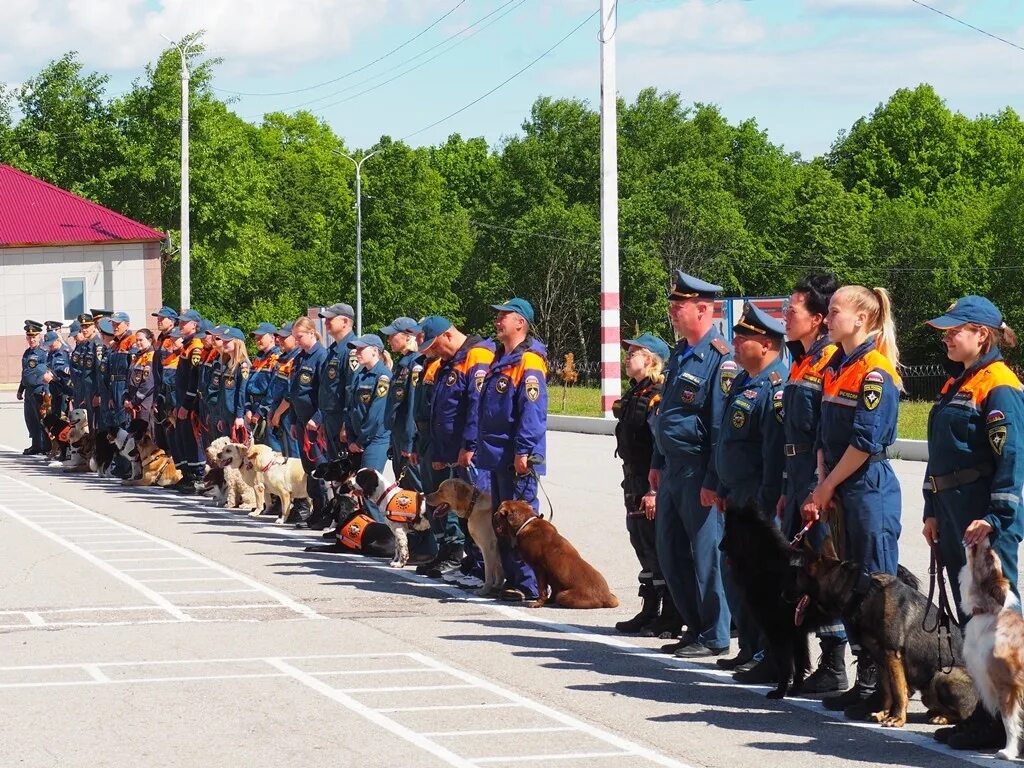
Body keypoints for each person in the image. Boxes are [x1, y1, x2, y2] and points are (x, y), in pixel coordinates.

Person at [922, 295, 1024, 751]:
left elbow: (1012, 461)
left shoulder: (998, 385)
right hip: (954, 516)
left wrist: (996, 519)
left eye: (955, 329)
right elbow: (939, 454)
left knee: (999, 631)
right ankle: (986, 716)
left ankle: (1008, 723)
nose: (947, 335)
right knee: (973, 626)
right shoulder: (956, 384)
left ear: (981, 334)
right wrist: (930, 508)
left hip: (983, 522)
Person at [801, 285, 902, 720]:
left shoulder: (875, 371)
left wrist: (827, 487)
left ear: (862, 318)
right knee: (850, 587)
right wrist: (823, 483)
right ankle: (864, 680)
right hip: (841, 487)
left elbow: (864, 442)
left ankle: (882, 687)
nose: (828, 317)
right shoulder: (836, 365)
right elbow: (825, 437)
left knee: (877, 588)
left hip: (867, 487)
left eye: (836, 310)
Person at [651, 272, 734, 658]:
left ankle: (715, 632)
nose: (672, 312)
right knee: (670, 551)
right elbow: (667, 412)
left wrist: (713, 479)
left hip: (698, 469)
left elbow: (719, 426)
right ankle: (694, 625)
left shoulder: (720, 358)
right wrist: (656, 461)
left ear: (703, 309)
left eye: (678, 306)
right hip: (671, 468)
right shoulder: (680, 354)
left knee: (707, 555)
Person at [704, 303, 788, 683]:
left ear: (766, 344)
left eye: (743, 338)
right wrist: (722, 486)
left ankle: (767, 653)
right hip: (736, 493)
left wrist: (766, 506)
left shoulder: (775, 387)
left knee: (761, 579)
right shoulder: (742, 381)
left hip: (756, 496)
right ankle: (750, 648)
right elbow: (727, 440)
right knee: (737, 574)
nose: (735, 344)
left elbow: (772, 453)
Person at [778, 273, 849, 695]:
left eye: (793, 310)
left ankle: (837, 661)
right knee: (804, 570)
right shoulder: (801, 360)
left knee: (826, 567)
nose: (785, 317)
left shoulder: (829, 362)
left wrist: (818, 487)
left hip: (817, 477)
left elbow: (826, 431)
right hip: (796, 474)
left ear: (819, 319)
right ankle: (810, 658)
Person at [476, 298, 547, 603]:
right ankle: (511, 579)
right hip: (496, 454)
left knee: (521, 521)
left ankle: (530, 584)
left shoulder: (528, 361)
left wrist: (525, 451)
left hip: (516, 455)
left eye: (504, 316)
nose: (498, 321)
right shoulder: (500, 359)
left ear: (521, 322)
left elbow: (532, 412)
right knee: (502, 520)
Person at [612, 332, 682, 638]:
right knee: (641, 544)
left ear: (651, 359)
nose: (629, 358)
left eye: (634, 353)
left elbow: (660, 446)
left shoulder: (657, 395)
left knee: (658, 547)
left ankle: (671, 614)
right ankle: (649, 609)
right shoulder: (636, 393)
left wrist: (654, 491)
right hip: (633, 478)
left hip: (649, 481)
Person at [421, 316, 495, 589]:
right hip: (455, 451)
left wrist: (470, 445)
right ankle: (472, 563)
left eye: (435, 345)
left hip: (472, 451)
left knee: (477, 510)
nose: (434, 351)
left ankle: (480, 568)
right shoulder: (452, 361)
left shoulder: (476, 355)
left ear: (448, 336)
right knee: (465, 510)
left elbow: (477, 405)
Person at [412, 318, 465, 578]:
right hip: (428, 440)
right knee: (434, 498)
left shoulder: (459, 362)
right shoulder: (434, 365)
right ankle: (443, 548)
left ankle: (455, 552)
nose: (428, 349)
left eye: (431, 343)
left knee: (448, 499)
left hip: (446, 445)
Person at [382, 317, 434, 562]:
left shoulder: (415, 364)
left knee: (418, 494)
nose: (390, 339)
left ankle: (428, 544)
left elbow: (413, 407)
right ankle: (414, 542)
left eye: (394, 335)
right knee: (408, 494)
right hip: (398, 437)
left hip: (407, 439)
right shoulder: (402, 363)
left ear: (408, 335)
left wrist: (409, 443)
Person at [346, 334, 394, 524]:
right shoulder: (360, 375)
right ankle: (371, 530)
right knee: (360, 490)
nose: (356, 353)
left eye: (360, 349)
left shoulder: (382, 377)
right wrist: (350, 437)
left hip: (375, 439)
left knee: (371, 489)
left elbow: (376, 414)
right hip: (358, 438)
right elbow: (350, 409)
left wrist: (359, 440)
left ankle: (382, 534)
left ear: (375, 351)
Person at [286, 316, 329, 523]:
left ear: (312, 333)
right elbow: (295, 392)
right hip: (302, 421)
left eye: (299, 336)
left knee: (319, 468)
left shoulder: (321, 356)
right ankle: (316, 510)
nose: (296, 341)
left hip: (314, 422)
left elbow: (325, 392)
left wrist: (317, 418)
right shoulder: (300, 358)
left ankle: (325, 510)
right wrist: (294, 420)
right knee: (308, 468)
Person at [317, 303, 358, 458]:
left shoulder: (351, 350)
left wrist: (346, 424)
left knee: (345, 470)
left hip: (341, 418)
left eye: (330, 319)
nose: (326, 322)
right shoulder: (333, 350)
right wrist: (322, 419)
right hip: (330, 418)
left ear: (345, 322)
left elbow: (351, 389)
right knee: (334, 469)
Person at [173, 309, 207, 490]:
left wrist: (187, 404)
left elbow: (193, 379)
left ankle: (197, 476)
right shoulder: (186, 345)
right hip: (180, 399)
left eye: (184, 322)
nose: (180, 324)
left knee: (192, 439)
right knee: (183, 438)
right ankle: (188, 475)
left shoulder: (196, 346)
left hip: (189, 402)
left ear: (194, 325)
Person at [265, 322, 301, 459]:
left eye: (284, 337)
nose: (280, 340)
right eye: (278, 337)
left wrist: (278, 413)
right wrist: (272, 411)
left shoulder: (295, 359)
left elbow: (290, 393)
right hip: (278, 410)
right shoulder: (282, 359)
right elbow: (275, 388)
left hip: (289, 413)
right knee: (284, 455)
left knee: (293, 455)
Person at [246, 322, 281, 450]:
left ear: (272, 337)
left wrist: (260, 412)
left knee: (272, 451)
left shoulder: (277, 358)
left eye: (261, 336)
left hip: (267, 410)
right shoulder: (258, 359)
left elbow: (274, 389)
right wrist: (248, 408)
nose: (257, 340)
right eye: (256, 337)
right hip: (253, 407)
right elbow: (247, 386)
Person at [151, 306, 179, 454]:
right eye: (158, 318)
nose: (159, 321)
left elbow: (171, 373)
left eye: (162, 318)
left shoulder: (174, 339)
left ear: (172, 321)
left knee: (172, 432)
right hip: (160, 390)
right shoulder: (161, 339)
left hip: (170, 393)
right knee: (161, 432)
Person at [18, 320, 49, 455]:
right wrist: (20, 389)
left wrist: (46, 391)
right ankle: (36, 444)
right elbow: (25, 372)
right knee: (30, 419)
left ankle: (46, 446)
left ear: (39, 337)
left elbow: (47, 372)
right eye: (29, 337)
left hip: (39, 389)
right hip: (29, 390)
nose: (31, 339)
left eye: (34, 337)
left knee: (41, 419)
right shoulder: (26, 353)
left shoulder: (43, 353)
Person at [217, 327, 250, 443]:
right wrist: (221, 416)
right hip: (226, 415)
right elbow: (223, 393)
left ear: (237, 342)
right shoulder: (227, 364)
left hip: (235, 416)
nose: (224, 343)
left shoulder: (243, 365)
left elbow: (242, 392)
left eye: (227, 341)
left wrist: (240, 416)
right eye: (223, 341)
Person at [124, 329, 156, 444]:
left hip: (144, 403)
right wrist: (127, 397)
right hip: (134, 402)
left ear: (150, 340)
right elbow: (130, 378)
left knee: (145, 435)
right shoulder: (138, 356)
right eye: (136, 340)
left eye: (141, 340)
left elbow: (148, 384)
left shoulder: (151, 357)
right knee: (136, 435)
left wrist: (134, 401)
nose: (138, 343)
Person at [42, 330, 72, 422]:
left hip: (65, 392)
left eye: (51, 343)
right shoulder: (50, 354)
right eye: (48, 344)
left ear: (57, 340)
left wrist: (54, 377)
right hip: (54, 393)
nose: (50, 346)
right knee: (56, 422)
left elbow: (71, 373)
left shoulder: (67, 352)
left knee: (64, 422)